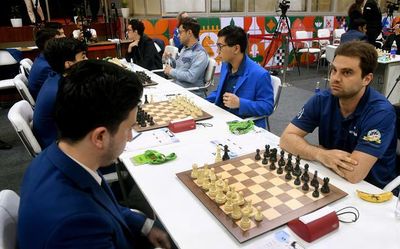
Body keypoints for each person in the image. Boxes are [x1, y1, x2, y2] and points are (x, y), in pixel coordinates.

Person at [18, 60, 171, 249]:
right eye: (129, 127)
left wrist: (145, 226)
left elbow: (103, 204)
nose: (130, 138)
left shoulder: (61, 155)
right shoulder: (75, 227)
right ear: (100, 137)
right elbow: (92, 215)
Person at [280, 41, 397, 189]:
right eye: (334, 70)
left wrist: (314, 151)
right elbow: (286, 139)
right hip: (331, 177)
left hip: (371, 190)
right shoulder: (322, 99)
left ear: (366, 79)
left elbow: (354, 173)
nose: (335, 78)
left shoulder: (380, 113)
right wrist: (320, 154)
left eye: (347, 72)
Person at [206, 25, 274, 129]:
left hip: (243, 125)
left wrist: (240, 103)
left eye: (220, 46)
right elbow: (221, 92)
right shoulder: (226, 65)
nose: (217, 51)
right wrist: (203, 102)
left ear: (236, 48)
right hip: (222, 118)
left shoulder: (260, 74)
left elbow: (267, 107)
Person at [33, 37, 88, 149]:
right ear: (68, 64)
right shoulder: (62, 92)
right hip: (59, 145)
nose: (87, 60)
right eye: (83, 57)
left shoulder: (55, 77)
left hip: (57, 137)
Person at [164, 17, 209, 97]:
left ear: (189, 32)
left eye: (180, 32)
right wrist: (168, 59)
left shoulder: (200, 53)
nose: (178, 36)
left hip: (191, 95)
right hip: (179, 90)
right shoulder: (185, 48)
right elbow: (179, 68)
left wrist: (171, 71)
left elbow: (191, 77)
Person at [28, 28, 61, 100]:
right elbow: (59, 90)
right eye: (58, 41)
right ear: (48, 44)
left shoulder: (42, 57)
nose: (61, 44)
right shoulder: (46, 68)